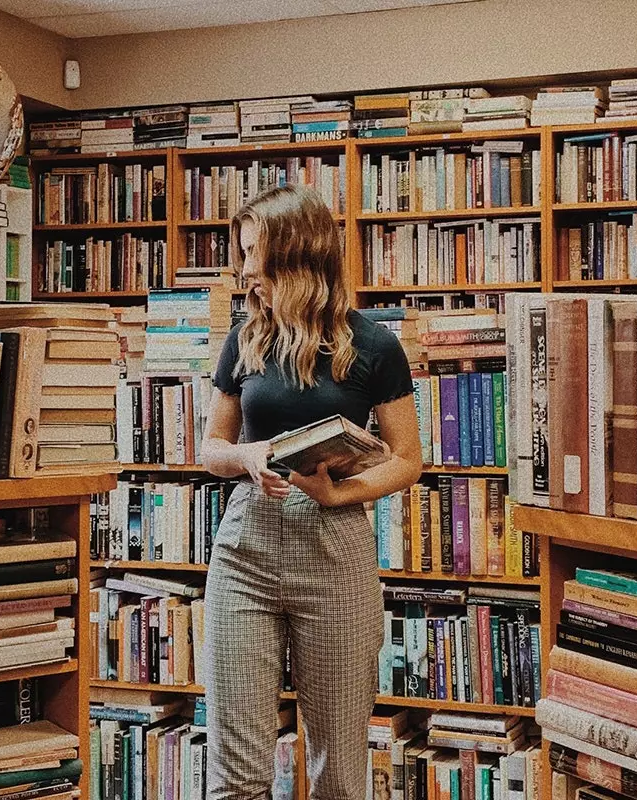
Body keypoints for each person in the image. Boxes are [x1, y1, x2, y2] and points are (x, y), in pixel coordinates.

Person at [201, 184, 423, 799]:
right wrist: (246, 455)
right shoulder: (245, 338)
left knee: (338, 771)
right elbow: (209, 450)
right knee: (236, 769)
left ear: (297, 254)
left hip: (335, 550)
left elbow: (407, 460)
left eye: (254, 254)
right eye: (243, 253)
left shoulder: (375, 346)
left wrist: (340, 493)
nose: (245, 271)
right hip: (245, 549)